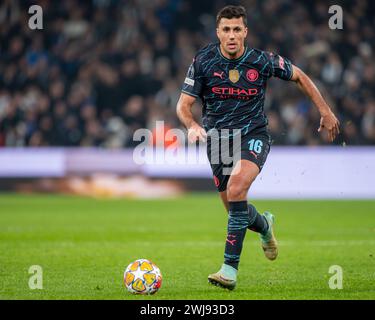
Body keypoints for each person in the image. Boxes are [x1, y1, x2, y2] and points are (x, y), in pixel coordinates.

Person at [176, 5, 340, 290]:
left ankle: (229, 270)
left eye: (236, 29)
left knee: (238, 188)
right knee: (235, 210)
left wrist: (325, 111)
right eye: (226, 30)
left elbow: (299, 75)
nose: (231, 35)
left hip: (253, 135)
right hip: (217, 143)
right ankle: (264, 225)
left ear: (245, 32)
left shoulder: (261, 61)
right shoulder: (203, 60)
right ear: (218, 32)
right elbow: (183, 105)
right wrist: (191, 125)